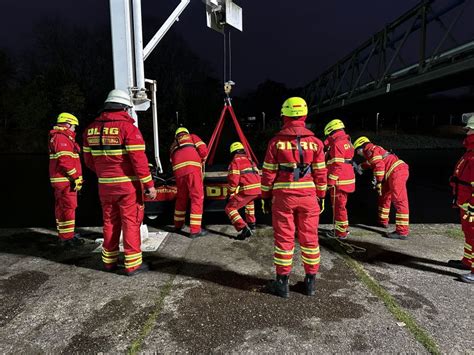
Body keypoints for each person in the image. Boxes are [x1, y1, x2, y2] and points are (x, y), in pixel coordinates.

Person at [83, 89, 157, 276]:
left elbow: (89, 161)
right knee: (130, 223)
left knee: (109, 222)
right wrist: (149, 185)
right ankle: (132, 265)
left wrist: (105, 173)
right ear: (124, 107)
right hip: (127, 187)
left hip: (104, 186)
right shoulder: (128, 129)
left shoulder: (89, 129)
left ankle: (109, 262)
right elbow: (139, 161)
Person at [261, 97, 327, 298]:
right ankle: (310, 283)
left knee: (284, 239)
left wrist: (265, 196)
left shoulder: (275, 142)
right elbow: (321, 172)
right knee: (310, 239)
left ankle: (282, 284)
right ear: (305, 115)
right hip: (309, 196)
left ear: (284, 116)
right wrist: (322, 195)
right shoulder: (316, 143)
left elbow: (268, 173)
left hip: (283, 196)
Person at [353, 136, 409, 239]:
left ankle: (402, 231)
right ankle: (383, 221)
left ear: (360, 147)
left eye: (357, 152)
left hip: (397, 172)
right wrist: (361, 167)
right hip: (393, 172)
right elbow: (372, 162)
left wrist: (378, 181)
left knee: (399, 201)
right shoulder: (373, 149)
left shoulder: (368, 150)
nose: (358, 155)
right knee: (384, 196)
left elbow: (379, 165)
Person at [49, 112, 84, 247]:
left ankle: (65, 235)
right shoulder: (61, 138)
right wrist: (75, 177)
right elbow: (64, 161)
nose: (74, 129)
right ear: (68, 124)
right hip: (65, 180)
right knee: (68, 208)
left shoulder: (61, 137)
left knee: (63, 208)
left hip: (62, 180)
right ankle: (67, 238)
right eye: (74, 126)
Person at [449, 113, 474, 283]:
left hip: (472, 204)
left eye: (470, 130)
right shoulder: (470, 151)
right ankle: (468, 261)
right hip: (465, 202)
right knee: (469, 234)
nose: (467, 133)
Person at [170, 127, 208, 238]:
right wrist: (203, 158)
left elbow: (172, 160)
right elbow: (203, 150)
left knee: (181, 198)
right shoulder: (192, 136)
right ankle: (195, 230)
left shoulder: (173, 145)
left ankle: (178, 225)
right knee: (197, 198)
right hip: (192, 169)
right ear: (186, 132)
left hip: (178, 173)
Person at [323, 119, 355, 240]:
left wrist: (330, 181)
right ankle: (343, 228)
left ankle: (341, 233)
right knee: (342, 206)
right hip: (347, 179)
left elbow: (337, 165)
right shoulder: (347, 142)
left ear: (331, 131)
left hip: (339, 181)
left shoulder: (337, 144)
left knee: (338, 207)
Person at [224, 142, 261, 240]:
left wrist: (229, 194)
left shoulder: (235, 162)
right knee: (249, 203)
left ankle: (244, 228)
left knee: (230, 208)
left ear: (233, 153)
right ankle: (251, 224)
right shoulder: (250, 161)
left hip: (247, 190)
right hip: (258, 189)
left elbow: (233, 182)